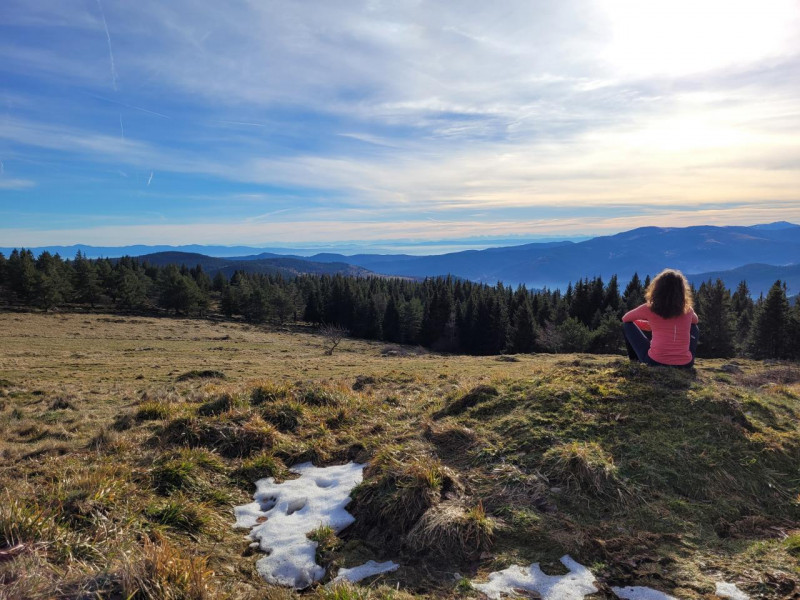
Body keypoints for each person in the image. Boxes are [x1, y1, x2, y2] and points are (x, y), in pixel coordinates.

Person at [621, 269, 699, 368]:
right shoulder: (687, 309)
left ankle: (635, 362)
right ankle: (682, 356)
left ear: (657, 288)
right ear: (682, 290)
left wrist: (649, 324)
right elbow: (695, 321)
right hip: (686, 364)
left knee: (626, 326)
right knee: (694, 327)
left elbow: (625, 318)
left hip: (654, 362)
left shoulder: (649, 308)